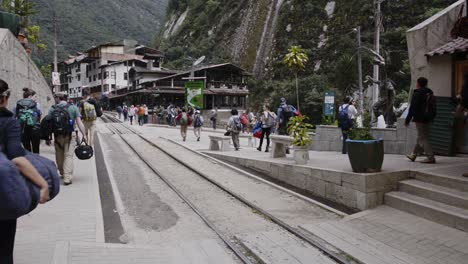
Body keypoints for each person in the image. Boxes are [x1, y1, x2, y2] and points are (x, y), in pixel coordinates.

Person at [0, 79, 50, 264]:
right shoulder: (8, 122)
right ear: (5, 98)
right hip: (2, 192)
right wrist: (43, 183)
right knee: (4, 249)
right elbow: (17, 159)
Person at [47, 92, 88, 185]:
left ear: (58, 98)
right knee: (68, 156)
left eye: (56, 97)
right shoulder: (73, 107)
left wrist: (48, 136)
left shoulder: (53, 108)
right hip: (70, 135)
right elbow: (79, 122)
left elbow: (48, 122)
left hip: (57, 136)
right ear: (66, 98)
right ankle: (67, 177)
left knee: (59, 155)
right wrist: (84, 135)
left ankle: (62, 172)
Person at [405, 77, 436, 164]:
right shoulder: (430, 92)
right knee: (421, 136)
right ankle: (414, 154)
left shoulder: (418, 93)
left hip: (420, 118)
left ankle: (430, 157)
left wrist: (407, 120)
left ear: (418, 83)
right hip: (428, 117)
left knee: (423, 137)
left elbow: (412, 107)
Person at [15, 88, 42, 153]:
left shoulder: (18, 104)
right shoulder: (37, 104)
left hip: (23, 130)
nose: (36, 98)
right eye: (35, 96)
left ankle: (28, 162)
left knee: (27, 151)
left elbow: (15, 116)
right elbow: (40, 116)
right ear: (30, 96)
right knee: (36, 151)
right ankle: (35, 162)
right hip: (35, 129)